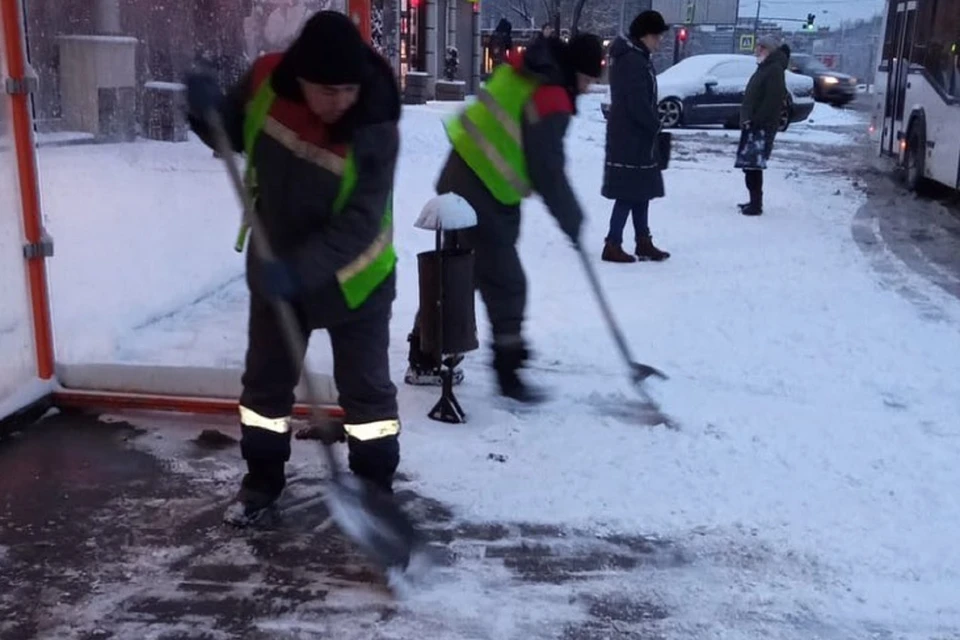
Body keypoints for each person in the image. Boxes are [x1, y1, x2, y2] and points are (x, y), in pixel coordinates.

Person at [184, 10, 403, 526]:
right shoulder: (266, 83)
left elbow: (360, 224)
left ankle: (374, 491)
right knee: (265, 388)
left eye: (348, 89)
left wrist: (299, 269)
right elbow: (233, 134)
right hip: (276, 266)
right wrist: (206, 114)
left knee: (367, 397)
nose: (340, 101)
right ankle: (261, 481)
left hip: (357, 280)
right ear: (300, 79)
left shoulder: (375, 123)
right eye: (328, 91)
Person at [404, 33, 605, 403]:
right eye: (590, 80)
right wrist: (572, 220)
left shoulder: (524, 73)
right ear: (577, 71)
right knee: (506, 284)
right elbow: (548, 171)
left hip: (460, 175)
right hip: (484, 191)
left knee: (455, 276)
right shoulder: (550, 95)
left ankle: (425, 353)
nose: (589, 88)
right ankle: (508, 371)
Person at [600, 10, 671, 263]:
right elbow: (637, 102)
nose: (659, 41)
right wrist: (654, 125)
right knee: (629, 191)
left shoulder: (636, 56)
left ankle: (643, 241)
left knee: (641, 189)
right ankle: (612, 243)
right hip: (630, 135)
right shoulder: (632, 59)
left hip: (635, 135)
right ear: (645, 35)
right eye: (656, 36)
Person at [736, 34, 788, 216]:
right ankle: (753, 201)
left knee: (754, 166)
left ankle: (756, 205)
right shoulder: (764, 67)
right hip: (753, 125)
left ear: (769, 50)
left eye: (761, 47)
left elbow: (772, 100)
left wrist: (756, 121)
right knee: (749, 165)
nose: (757, 49)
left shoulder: (773, 70)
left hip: (760, 127)